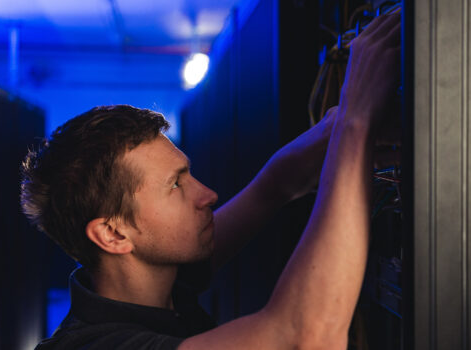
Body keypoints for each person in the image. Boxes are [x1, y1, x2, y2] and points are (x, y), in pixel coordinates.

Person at [21, 12, 401, 350]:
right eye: (175, 185)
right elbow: (306, 337)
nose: (209, 195)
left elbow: (271, 189)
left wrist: (321, 144)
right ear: (113, 234)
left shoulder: (153, 286)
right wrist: (356, 120)